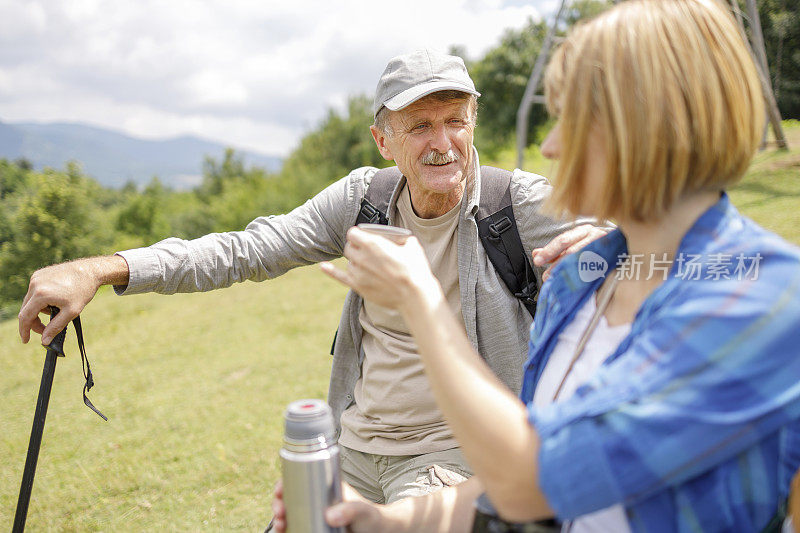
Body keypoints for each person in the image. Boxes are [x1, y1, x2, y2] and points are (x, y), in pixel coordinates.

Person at [280, 0, 800, 531]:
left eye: (570, 120)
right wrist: (383, 521)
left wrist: (420, 299)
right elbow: (516, 489)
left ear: (650, 126)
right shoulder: (577, 278)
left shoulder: (760, 297)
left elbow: (531, 481)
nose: (550, 147)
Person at [17, 49, 605, 503]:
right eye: (420, 126)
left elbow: (647, 234)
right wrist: (103, 268)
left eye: (456, 121)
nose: (444, 143)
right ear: (383, 140)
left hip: (454, 457)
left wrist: (616, 238)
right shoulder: (363, 199)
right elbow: (247, 249)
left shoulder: (515, 204)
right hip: (349, 448)